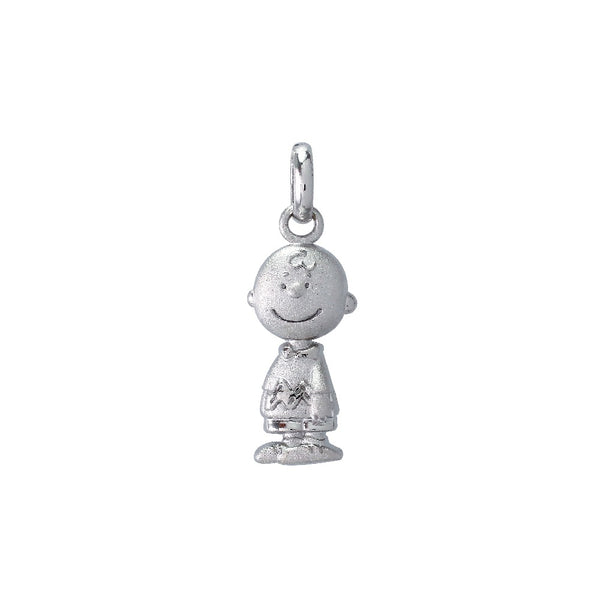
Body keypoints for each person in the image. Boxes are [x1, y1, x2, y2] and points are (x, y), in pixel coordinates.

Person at [248, 245, 356, 464]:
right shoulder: (285, 355)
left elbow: (320, 385)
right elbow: (274, 377)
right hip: (286, 393)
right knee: (288, 418)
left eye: (308, 286)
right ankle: (289, 443)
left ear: (346, 303)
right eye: (283, 286)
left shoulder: (314, 360)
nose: (294, 292)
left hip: (311, 398)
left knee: (314, 419)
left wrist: (320, 404)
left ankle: (316, 444)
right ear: (254, 298)